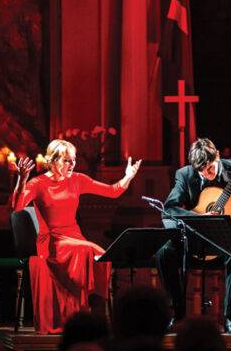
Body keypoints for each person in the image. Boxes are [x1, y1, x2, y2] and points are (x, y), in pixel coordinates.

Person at [12, 139, 141, 334]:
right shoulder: (38, 183)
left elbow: (113, 191)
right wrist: (22, 181)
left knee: (101, 254)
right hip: (52, 239)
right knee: (84, 249)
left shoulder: (78, 179)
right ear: (52, 161)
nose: (72, 164)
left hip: (74, 235)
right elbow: (17, 207)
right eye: (67, 160)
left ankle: (92, 313)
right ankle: (74, 315)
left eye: (73, 160)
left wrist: (128, 177)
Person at [155, 137, 231, 333]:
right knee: (164, 253)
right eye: (201, 171)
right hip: (197, 240)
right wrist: (199, 218)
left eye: (210, 168)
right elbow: (170, 208)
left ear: (217, 155)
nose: (206, 174)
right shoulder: (185, 174)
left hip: (226, 239)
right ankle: (177, 313)